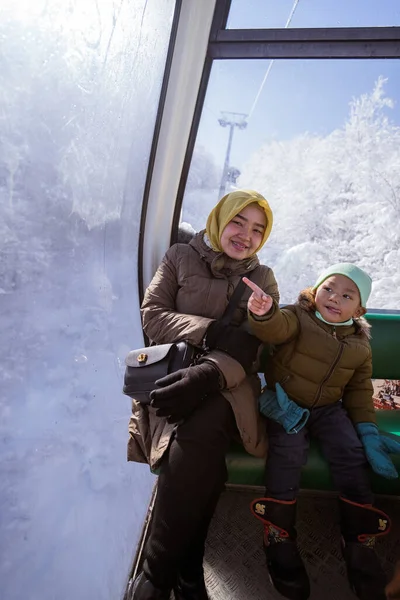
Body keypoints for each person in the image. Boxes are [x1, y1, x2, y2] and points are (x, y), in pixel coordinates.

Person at [127, 189, 279, 599]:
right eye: (238, 222)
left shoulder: (262, 279)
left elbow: (254, 350)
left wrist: (211, 373)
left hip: (228, 386)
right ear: (219, 218)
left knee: (204, 427)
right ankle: (189, 569)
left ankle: (156, 575)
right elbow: (153, 316)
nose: (246, 235)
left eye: (257, 229)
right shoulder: (179, 257)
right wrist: (209, 330)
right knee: (204, 463)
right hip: (175, 374)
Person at [244, 263, 400, 600]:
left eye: (347, 295)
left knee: (351, 452)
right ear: (315, 291)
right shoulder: (299, 318)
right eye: (328, 288)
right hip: (286, 403)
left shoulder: (360, 346)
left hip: (329, 410)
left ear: (358, 310)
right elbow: (274, 328)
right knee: (289, 452)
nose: (334, 298)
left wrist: (369, 432)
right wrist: (263, 313)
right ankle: (279, 532)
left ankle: (358, 535)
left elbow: (359, 391)